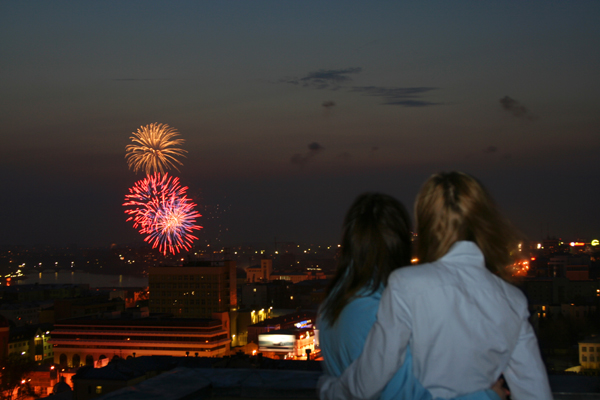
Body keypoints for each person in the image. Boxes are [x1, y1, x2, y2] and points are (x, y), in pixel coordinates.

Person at [318, 173, 552, 400]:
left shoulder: (404, 285)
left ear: (427, 225)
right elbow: (534, 389)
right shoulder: (512, 299)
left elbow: (368, 383)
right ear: (483, 223)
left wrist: (328, 388)